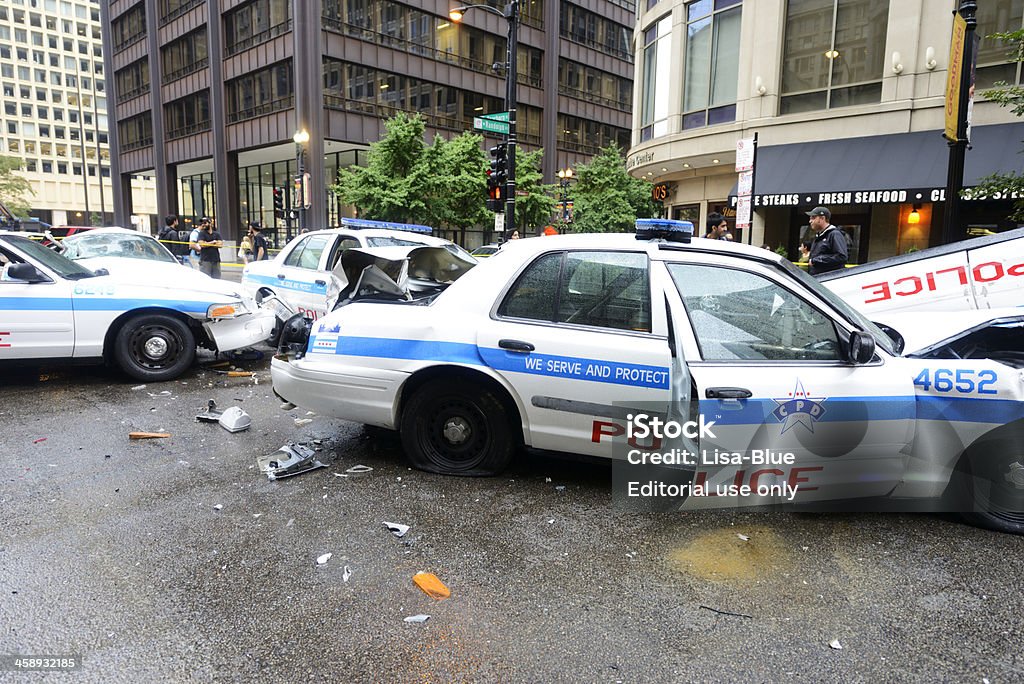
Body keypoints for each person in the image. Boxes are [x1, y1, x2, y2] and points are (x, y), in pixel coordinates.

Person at [806, 206, 848, 275]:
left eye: (813, 218)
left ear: (822, 218)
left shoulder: (834, 234)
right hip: (817, 280)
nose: (810, 221)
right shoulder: (819, 235)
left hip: (828, 280)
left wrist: (816, 261)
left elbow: (842, 257)